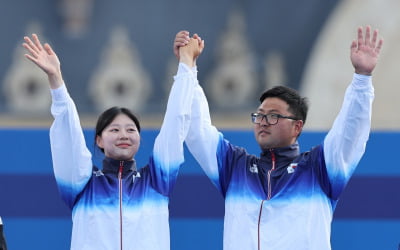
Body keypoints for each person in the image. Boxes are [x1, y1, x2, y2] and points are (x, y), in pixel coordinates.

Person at [174, 26, 383, 250]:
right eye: (259, 115)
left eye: (273, 116)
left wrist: (362, 79)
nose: (263, 121)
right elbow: (197, 129)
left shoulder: (318, 168)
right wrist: (188, 65)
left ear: (297, 126)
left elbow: (350, 133)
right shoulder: (235, 168)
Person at [22, 33, 202, 250]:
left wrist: (186, 64)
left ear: (139, 137)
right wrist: (56, 80)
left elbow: (176, 122)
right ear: (99, 140)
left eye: (131, 129)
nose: (124, 135)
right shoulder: (83, 186)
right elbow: (68, 136)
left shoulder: (156, 182)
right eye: (114, 129)